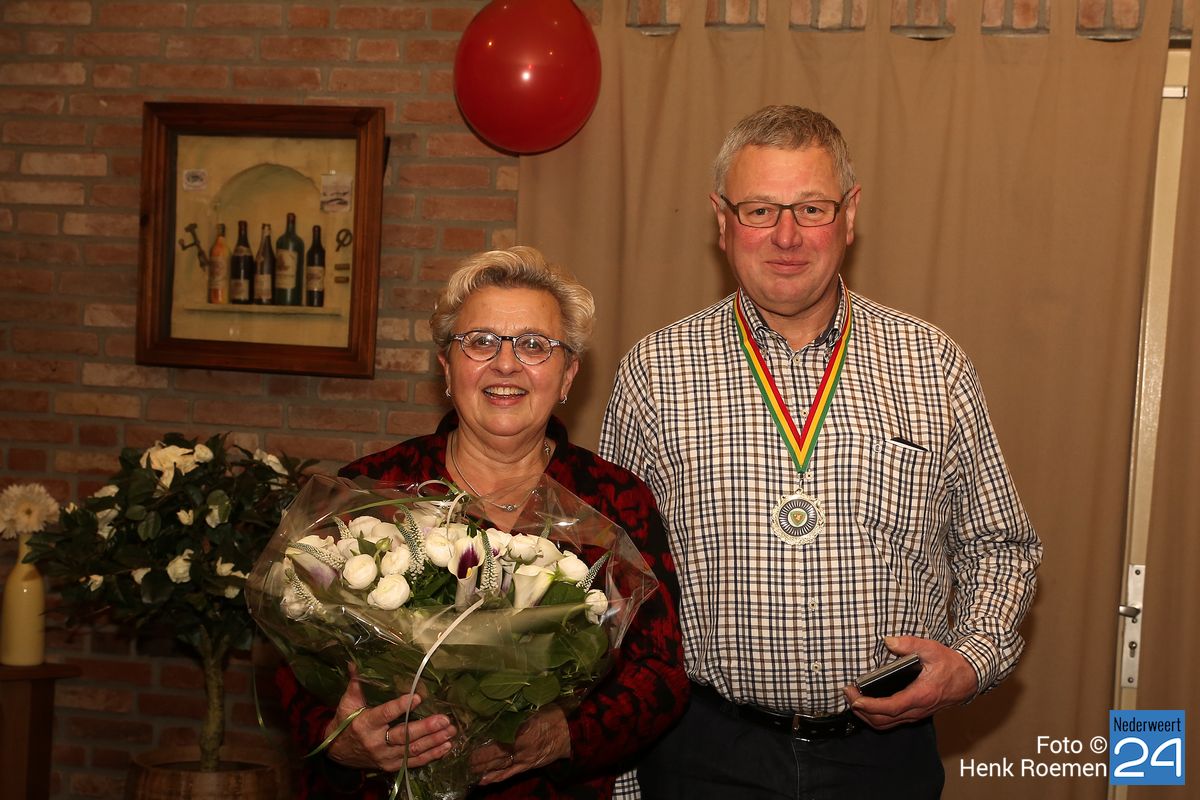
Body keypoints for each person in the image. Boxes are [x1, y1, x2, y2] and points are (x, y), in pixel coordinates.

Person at [599, 105, 1043, 798]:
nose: (786, 236)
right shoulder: (655, 373)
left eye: (811, 208)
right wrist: (624, 783)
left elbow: (1000, 546)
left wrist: (971, 661)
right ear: (721, 220)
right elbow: (613, 580)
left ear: (850, 213)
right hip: (701, 754)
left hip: (881, 757)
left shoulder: (933, 365)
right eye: (759, 210)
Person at [276, 246, 689, 799]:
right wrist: (340, 737)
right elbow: (289, 654)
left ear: (568, 374)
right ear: (447, 367)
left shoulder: (614, 500)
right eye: (481, 341)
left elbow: (660, 673)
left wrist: (564, 734)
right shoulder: (369, 491)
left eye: (534, 345)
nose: (506, 364)